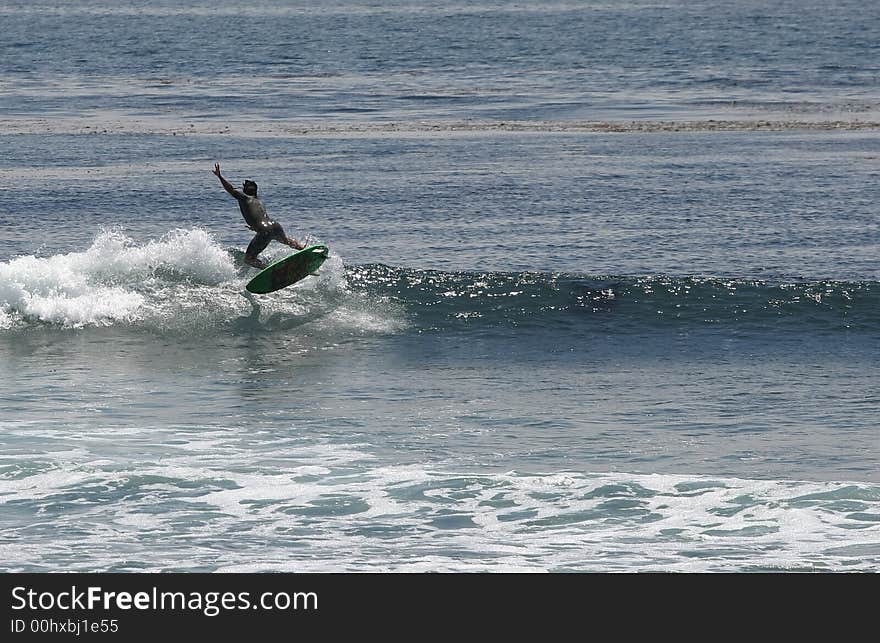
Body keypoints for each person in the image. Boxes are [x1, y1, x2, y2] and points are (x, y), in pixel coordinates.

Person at [212, 163, 304, 269]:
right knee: (286, 241)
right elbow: (259, 217)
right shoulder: (259, 201)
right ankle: (303, 249)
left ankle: (271, 270)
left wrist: (219, 176)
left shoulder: (245, 198)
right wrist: (255, 227)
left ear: (245, 190)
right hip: (275, 225)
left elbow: (231, 189)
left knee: (248, 259)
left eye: (243, 187)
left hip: (264, 229)